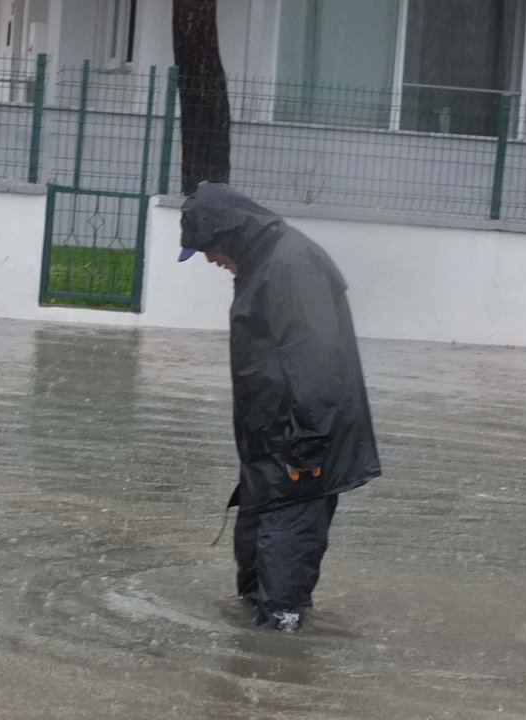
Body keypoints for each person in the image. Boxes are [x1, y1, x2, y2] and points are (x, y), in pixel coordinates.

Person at [178, 182, 381, 633]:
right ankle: (258, 656)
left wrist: (306, 450)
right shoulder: (265, 262)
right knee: (255, 566)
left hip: (300, 452)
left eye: (208, 248)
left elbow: (318, 361)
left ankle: (278, 676)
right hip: (272, 450)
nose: (210, 260)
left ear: (229, 233)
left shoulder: (290, 265)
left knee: (282, 581)